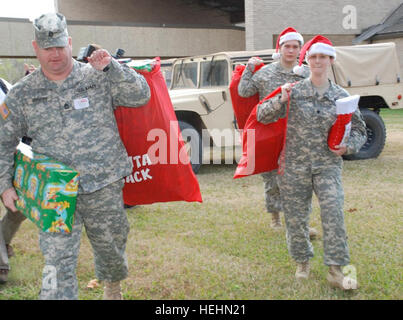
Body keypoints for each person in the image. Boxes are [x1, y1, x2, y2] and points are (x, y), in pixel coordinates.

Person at [0, 12, 151, 299]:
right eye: (47, 48)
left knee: (111, 247)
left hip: (103, 184)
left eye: (59, 46)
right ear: (36, 48)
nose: (54, 54)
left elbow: (140, 96)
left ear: (70, 43)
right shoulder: (22, 94)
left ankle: (112, 287)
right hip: (55, 191)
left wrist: (113, 68)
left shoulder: (97, 77)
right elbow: (3, 141)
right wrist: (4, 186)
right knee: (56, 261)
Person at [257, 35, 367, 290]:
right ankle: (302, 261)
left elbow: (360, 130)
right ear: (307, 60)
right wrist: (280, 100)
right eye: (313, 56)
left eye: (323, 57)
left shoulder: (342, 96)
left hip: (327, 165)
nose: (318, 61)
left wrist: (348, 146)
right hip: (294, 166)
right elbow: (262, 115)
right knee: (296, 218)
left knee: (334, 213)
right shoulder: (293, 91)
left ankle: (336, 270)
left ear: (331, 60)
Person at [238, 27, 318, 238]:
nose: (291, 50)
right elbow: (244, 91)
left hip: (297, 133)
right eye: (287, 46)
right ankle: (275, 216)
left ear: (301, 50)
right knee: (272, 179)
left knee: (301, 180)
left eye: (295, 47)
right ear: (280, 48)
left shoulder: (306, 73)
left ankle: (302, 223)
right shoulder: (266, 73)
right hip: (271, 132)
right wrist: (249, 68)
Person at [0, 77, 27, 284]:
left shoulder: (4, 84)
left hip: (8, 157)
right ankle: (1, 265)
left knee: (17, 209)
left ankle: (4, 241)